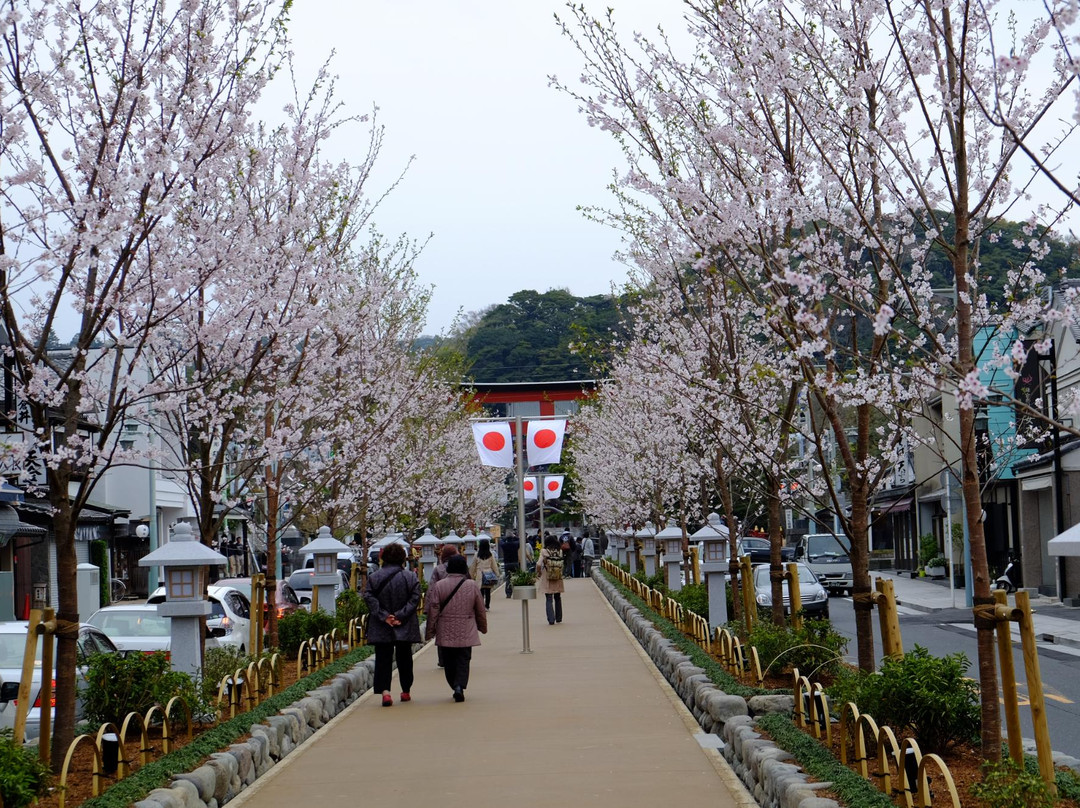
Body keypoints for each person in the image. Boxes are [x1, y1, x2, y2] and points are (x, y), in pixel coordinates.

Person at [362, 542, 421, 707]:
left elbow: (368, 597)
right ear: (402, 559)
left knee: (383, 658)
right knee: (405, 658)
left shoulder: (374, 577)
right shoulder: (410, 577)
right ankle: (406, 690)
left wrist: (384, 616)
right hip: (404, 623)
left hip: (382, 625)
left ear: (383, 558)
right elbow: (415, 598)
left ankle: (386, 693)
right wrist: (401, 615)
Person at [426, 555, 487, 702]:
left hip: (445, 628)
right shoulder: (471, 585)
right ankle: (460, 685)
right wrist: (482, 626)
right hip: (466, 627)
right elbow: (480, 609)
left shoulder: (440, 585)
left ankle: (454, 685)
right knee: (464, 659)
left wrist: (430, 630)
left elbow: (433, 609)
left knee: (448, 660)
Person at [537, 534, 565, 625]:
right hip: (558, 576)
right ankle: (559, 618)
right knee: (558, 597)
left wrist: (539, 572)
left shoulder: (544, 551)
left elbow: (538, 564)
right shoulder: (559, 551)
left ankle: (551, 619)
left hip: (547, 576)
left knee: (549, 599)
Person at [469, 538, 500, 610]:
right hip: (488, 574)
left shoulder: (477, 555)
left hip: (480, 574)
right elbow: (494, 565)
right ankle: (487, 606)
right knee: (488, 591)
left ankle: (481, 606)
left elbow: (473, 566)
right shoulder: (490, 554)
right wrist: (497, 573)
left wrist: (471, 575)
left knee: (481, 592)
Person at [500, 532, 520, 597]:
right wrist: (514, 536)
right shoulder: (516, 544)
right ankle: (517, 592)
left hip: (507, 563)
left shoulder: (504, 545)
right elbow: (519, 540)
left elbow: (501, 541)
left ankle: (508, 593)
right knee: (516, 578)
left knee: (508, 578)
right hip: (515, 562)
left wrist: (505, 537)